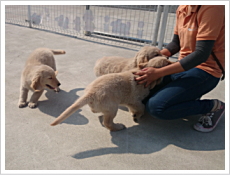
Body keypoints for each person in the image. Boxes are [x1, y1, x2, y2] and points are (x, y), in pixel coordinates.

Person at [135, 5, 225, 132]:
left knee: (157, 108)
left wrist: (158, 73)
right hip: (183, 65)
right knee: (141, 94)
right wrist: (156, 55)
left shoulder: (212, 8)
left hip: (206, 71)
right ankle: (188, 96)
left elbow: (201, 54)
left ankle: (213, 106)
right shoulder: (183, 8)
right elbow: (176, 44)